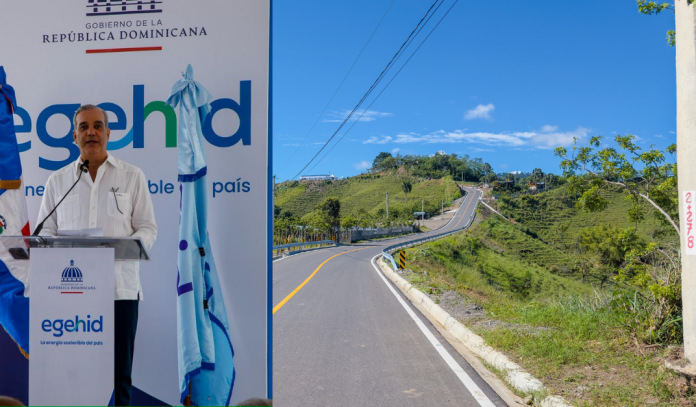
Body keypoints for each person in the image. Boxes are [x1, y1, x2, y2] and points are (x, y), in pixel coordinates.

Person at [36, 104, 157, 406]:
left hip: (119, 291)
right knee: (73, 374)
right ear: (74, 135)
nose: (91, 132)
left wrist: (128, 246)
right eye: (84, 127)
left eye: (98, 126)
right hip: (70, 293)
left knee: (120, 376)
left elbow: (147, 228)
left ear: (108, 133)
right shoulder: (57, 181)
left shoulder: (132, 176)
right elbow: (45, 232)